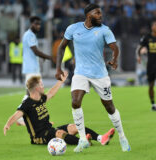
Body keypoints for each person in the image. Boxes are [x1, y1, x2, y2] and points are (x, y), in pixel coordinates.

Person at [55, 3, 131, 153]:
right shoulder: (73, 29)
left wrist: (114, 60)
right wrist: (58, 68)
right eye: (97, 13)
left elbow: (115, 47)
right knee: (75, 102)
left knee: (109, 107)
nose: (101, 16)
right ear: (88, 15)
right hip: (81, 73)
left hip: (100, 75)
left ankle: (122, 137)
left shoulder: (104, 30)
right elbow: (61, 47)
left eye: (101, 13)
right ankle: (83, 139)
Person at [3, 73, 115, 146]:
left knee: (73, 127)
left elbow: (51, 93)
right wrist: (8, 124)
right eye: (41, 85)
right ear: (37, 88)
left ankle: (101, 138)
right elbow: (17, 114)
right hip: (39, 137)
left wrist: (60, 81)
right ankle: (83, 142)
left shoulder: (41, 98)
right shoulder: (27, 104)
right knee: (60, 133)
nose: (43, 86)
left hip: (49, 129)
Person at [16, 16, 53, 124]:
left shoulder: (30, 35)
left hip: (32, 68)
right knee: (31, 93)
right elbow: (35, 51)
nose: (38, 26)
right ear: (30, 23)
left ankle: (25, 117)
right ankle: (20, 116)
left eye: (39, 24)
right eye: (36, 24)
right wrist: (49, 57)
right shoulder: (29, 35)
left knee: (34, 93)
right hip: (31, 69)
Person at [137, 20, 156, 111]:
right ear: (152, 27)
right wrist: (139, 56)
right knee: (151, 85)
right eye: (155, 25)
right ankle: (153, 103)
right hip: (151, 65)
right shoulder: (147, 37)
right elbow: (139, 48)